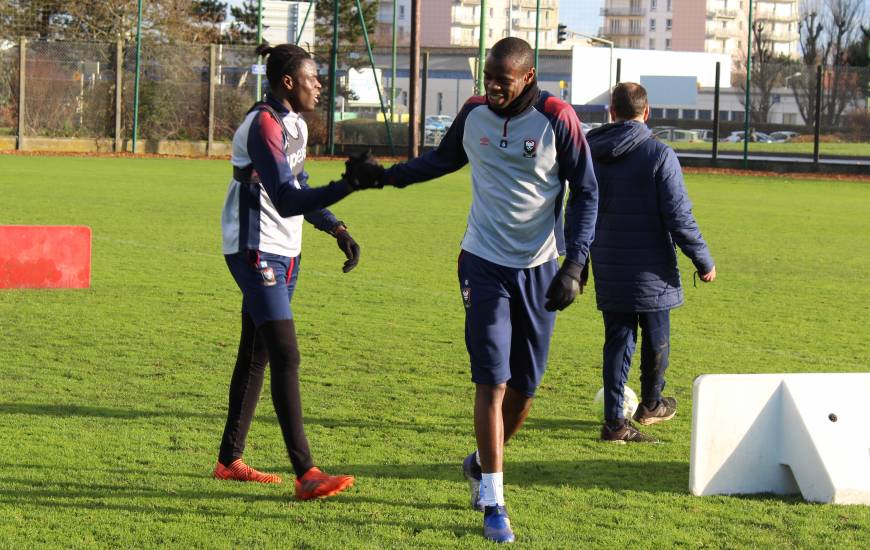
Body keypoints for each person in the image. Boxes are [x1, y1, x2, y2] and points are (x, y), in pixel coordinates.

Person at [379, 37, 598, 543]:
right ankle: (494, 499)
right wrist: (384, 176)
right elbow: (440, 160)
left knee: (524, 389)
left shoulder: (557, 118)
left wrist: (575, 265)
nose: (493, 87)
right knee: (492, 380)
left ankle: (481, 462)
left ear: (528, 76)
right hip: (482, 263)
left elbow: (586, 191)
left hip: (541, 267)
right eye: (489, 78)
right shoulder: (474, 111)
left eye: (504, 79)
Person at [215, 42, 383, 500]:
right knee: (286, 353)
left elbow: (300, 188)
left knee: (257, 353)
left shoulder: (294, 124)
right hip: (255, 250)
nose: (319, 85)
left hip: (287, 251)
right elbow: (286, 198)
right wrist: (348, 184)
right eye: (313, 78)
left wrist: (336, 227)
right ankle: (307, 472)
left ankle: (229, 460)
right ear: (288, 82)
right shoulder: (263, 125)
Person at [584, 82, 716, 444]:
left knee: (618, 341)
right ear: (647, 112)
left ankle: (614, 423)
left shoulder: (590, 152)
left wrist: (577, 262)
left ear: (611, 112)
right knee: (657, 338)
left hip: (608, 263)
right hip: (652, 268)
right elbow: (679, 216)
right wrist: (703, 259)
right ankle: (651, 404)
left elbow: (578, 207)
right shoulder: (659, 154)